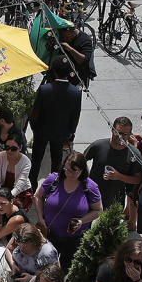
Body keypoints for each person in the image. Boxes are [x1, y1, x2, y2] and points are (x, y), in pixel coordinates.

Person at [34, 152, 103, 271]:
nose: (69, 173)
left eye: (74, 171)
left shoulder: (90, 187)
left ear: (82, 170)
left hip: (74, 239)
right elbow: (38, 196)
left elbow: (98, 211)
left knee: (66, 270)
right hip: (49, 233)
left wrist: (82, 221)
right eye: (67, 169)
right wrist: (41, 219)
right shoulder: (54, 179)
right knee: (44, 266)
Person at [28, 56, 82, 189]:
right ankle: (53, 188)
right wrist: (69, 133)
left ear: (54, 71)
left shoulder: (45, 90)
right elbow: (75, 117)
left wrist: (35, 130)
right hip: (60, 134)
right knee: (57, 163)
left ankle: (32, 188)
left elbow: (34, 114)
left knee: (35, 163)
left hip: (41, 133)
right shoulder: (76, 93)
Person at [85, 116, 142, 212]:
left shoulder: (134, 154)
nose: (122, 137)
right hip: (92, 196)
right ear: (113, 130)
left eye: (126, 134)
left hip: (115, 200)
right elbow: (80, 161)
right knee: (86, 226)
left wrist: (119, 176)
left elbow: (138, 179)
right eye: (119, 133)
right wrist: (84, 180)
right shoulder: (98, 145)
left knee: (111, 227)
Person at [0, 135, 32, 211]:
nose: (9, 151)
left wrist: (6, 197)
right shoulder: (1, 155)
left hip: (19, 192)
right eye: (7, 147)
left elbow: (20, 184)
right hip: (2, 189)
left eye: (13, 149)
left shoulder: (26, 162)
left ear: (20, 148)